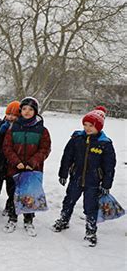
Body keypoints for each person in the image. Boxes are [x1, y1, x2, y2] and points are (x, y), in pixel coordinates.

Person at [52, 106, 116, 247]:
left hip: (93, 181)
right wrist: (63, 173)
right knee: (69, 200)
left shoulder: (105, 144)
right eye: (85, 125)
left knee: (90, 206)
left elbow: (109, 166)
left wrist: (106, 184)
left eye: (91, 126)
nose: (87, 128)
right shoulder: (77, 139)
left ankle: (91, 230)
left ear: (99, 127)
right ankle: (64, 219)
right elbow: (67, 156)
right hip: (76, 178)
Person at [2, 97, 51, 236]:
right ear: (20, 111)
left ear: (35, 111)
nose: (27, 112)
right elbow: (7, 147)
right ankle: (12, 217)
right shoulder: (13, 128)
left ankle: (28, 220)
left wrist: (32, 162)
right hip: (14, 168)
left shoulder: (42, 130)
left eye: (30, 109)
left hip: (32, 169)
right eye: (24, 109)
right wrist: (16, 161)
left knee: (29, 194)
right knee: (13, 194)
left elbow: (45, 149)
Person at [0, 101, 20, 219]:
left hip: (13, 164)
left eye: (14, 115)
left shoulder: (20, 129)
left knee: (11, 189)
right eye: (9, 114)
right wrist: (0, 132)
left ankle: (10, 207)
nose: (11, 117)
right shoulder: (0, 126)